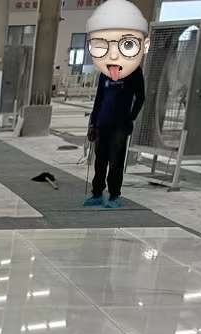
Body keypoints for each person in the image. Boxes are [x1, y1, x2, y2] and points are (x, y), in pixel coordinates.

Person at [82, 0, 149, 210]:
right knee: (100, 160)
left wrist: (130, 118)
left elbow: (141, 97)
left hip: (120, 125)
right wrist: (93, 123)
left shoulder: (133, 71)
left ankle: (114, 196)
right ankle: (96, 194)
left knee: (116, 161)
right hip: (103, 123)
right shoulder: (105, 71)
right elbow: (99, 98)